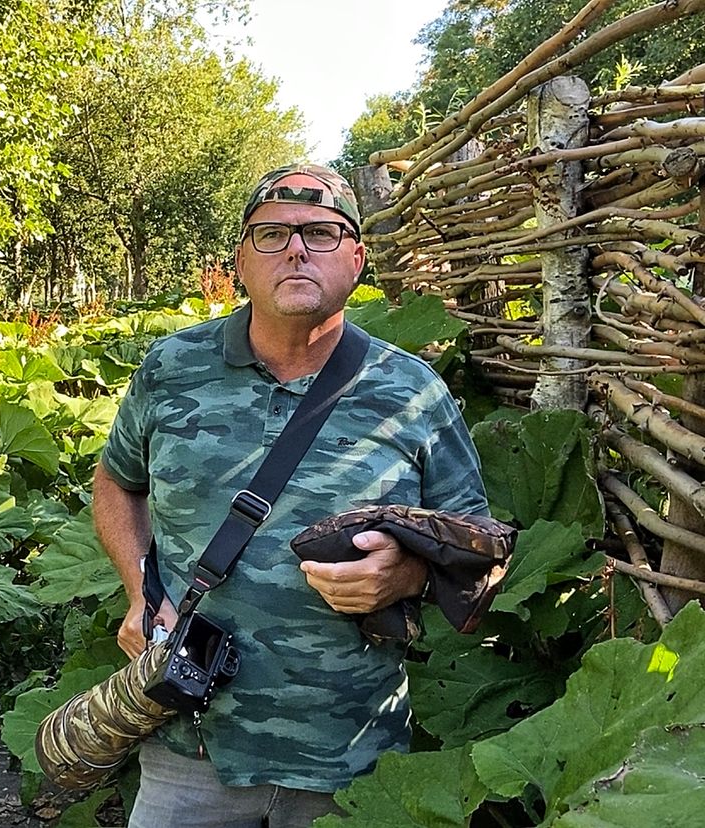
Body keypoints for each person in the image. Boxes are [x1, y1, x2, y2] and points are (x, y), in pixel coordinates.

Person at [92, 164, 489, 827]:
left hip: (353, 752)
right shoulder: (170, 369)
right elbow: (116, 481)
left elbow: (478, 542)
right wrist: (139, 588)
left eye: (323, 233)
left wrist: (409, 572)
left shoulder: (413, 390)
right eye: (272, 234)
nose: (298, 249)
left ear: (358, 259)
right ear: (240, 261)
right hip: (190, 737)